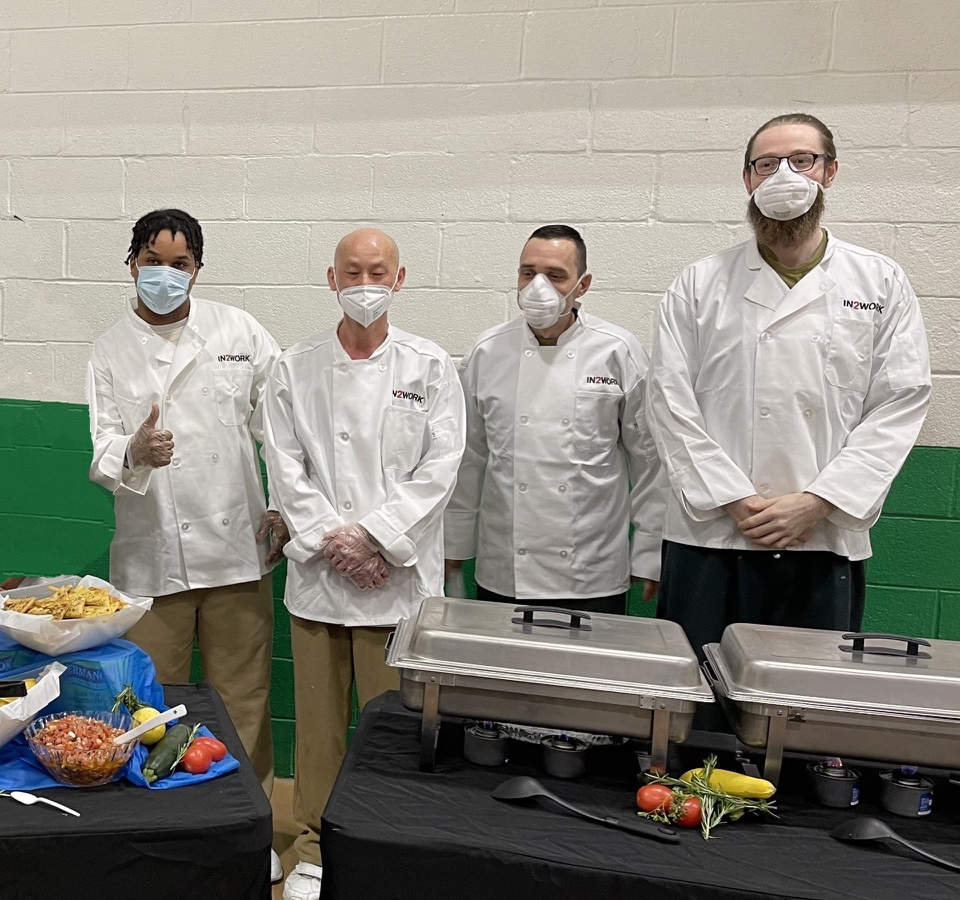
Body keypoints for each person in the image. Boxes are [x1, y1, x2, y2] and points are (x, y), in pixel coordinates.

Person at [648, 113, 931, 659]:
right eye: (766, 163)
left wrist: (819, 501)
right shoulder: (698, 283)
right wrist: (732, 498)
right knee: (699, 701)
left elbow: (899, 403)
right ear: (748, 179)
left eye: (801, 161)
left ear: (829, 172)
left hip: (821, 537)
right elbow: (668, 399)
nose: (784, 175)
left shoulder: (880, 282)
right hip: (711, 534)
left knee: (801, 703)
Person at [85, 208, 285, 879]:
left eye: (179, 263)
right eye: (151, 259)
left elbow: (280, 430)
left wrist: (284, 505)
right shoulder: (109, 348)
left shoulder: (240, 332)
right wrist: (134, 451)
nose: (164, 274)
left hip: (236, 546)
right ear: (131, 263)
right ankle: (158, 831)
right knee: (152, 701)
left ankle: (249, 830)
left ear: (198, 268)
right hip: (152, 560)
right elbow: (101, 451)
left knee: (242, 701)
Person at [265, 228, 463, 900]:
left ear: (400, 279)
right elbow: (284, 466)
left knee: (390, 724)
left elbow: (441, 468)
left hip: (396, 580)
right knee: (317, 728)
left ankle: (381, 841)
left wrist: (375, 537)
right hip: (322, 581)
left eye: (378, 271)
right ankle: (314, 848)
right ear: (331, 279)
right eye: (353, 271)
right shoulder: (294, 367)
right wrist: (336, 540)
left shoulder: (431, 366)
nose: (366, 282)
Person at [446, 225, 665, 615]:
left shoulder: (616, 350)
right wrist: (454, 548)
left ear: (583, 285)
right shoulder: (487, 351)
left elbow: (648, 459)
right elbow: (469, 459)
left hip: (591, 569)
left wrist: (649, 551)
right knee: (501, 677)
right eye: (528, 273)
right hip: (505, 568)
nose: (538, 287)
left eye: (555, 275)